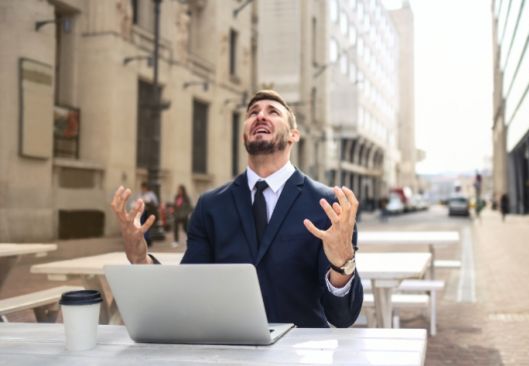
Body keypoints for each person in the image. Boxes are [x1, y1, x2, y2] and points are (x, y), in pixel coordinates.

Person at [111, 90, 363, 328]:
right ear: (243, 135)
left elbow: (342, 317)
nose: (260, 115)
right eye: (253, 112)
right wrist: (139, 259)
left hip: (298, 353)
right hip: (228, 351)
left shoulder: (329, 206)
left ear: (293, 135)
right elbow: (187, 291)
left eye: (272, 112)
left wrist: (342, 263)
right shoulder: (210, 206)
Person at [137, 182, 159, 247]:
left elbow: (155, 203)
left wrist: (148, 203)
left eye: (143, 187)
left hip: (148, 212)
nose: (142, 189)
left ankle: (147, 239)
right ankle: (143, 239)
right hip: (142, 212)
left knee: (147, 225)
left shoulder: (151, 194)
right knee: (141, 225)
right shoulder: (140, 194)